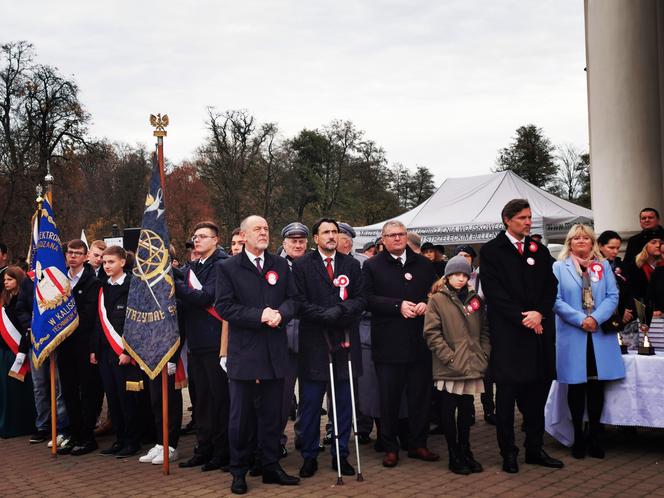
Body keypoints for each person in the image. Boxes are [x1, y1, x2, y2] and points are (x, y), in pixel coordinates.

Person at [215, 215, 300, 495]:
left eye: (266, 228)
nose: (264, 232)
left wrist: (281, 314)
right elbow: (225, 307)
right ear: (243, 234)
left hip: (275, 351)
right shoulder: (228, 267)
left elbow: (293, 299)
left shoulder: (280, 264)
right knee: (241, 417)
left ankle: (271, 465)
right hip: (245, 352)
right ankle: (239, 470)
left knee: (274, 414)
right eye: (257, 229)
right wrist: (259, 315)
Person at [479, 199, 562, 473]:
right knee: (506, 398)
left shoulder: (538, 250)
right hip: (509, 337)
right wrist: (523, 317)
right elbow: (494, 293)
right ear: (507, 219)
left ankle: (534, 449)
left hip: (538, 334)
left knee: (537, 396)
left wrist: (539, 313)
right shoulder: (492, 251)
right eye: (522, 218)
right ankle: (508, 453)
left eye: (529, 217)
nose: (528, 222)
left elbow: (551, 285)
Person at [293, 218, 365, 478]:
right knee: (310, 405)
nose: (332, 236)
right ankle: (309, 455)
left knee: (344, 404)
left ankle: (340, 453)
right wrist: (323, 315)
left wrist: (340, 311)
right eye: (326, 232)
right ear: (315, 238)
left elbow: (360, 298)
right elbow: (298, 302)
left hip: (344, 341)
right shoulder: (302, 266)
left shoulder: (351, 264)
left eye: (335, 232)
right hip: (314, 343)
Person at [363, 220, 439, 468]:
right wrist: (397, 306)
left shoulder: (424, 264)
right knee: (389, 399)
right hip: (389, 342)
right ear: (383, 239)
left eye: (401, 234)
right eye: (392, 235)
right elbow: (366, 299)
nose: (397, 238)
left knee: (420, 397)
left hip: (420, 341)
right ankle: (390, 446)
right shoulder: (372, 266)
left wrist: (428, 304)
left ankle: (418, 444)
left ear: (407, 237)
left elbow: (436, 293)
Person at [553, 224, 624, 459]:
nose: (581, 241)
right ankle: (577, 436)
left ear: (592, 242)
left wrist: (596, 317)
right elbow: (555, 299)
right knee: (576, 386)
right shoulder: (558, 267)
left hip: (599, 334)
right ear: (569, 243)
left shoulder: (602, 266)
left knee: (596, 386)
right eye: (576, 238)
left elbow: (613, 295)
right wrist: (581, 319)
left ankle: (595, 435)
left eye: (586, 237)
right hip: (574, 334)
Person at [424, 255, 490, 474]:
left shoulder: (475, 300)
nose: (461, 279)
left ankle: (465, 450)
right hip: (449, 367)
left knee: (466, 411)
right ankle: (454, 454)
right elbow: (432, 333)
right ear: (447, 276)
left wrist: (483, 355)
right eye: (456, 275)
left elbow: (484, 331)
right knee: (448, 411)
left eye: (465, 275)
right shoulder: (437, 299)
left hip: (472, 364)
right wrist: (449, 357)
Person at [176, 221, 230, 471]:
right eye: (195, 236)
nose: (196, 240)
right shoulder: (193, 266)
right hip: (196, 342)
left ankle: (221, 452)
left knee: (218, 399)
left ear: (215, 240)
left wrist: (174, 286)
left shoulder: (222, 265)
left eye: (202, 236)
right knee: (201, 401)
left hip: (214, 342)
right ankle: (203, 448)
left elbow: (204, 297)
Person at [90, 246, 142, 457]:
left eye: (111, 262)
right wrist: (94, 349)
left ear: (122, 262)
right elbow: (98, 322)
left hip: (124, 353)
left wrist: (127, 351)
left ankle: (133, 440)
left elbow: (135, 322)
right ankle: (120, 439)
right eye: (104, 262)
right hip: (105, 353)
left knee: (127, 399)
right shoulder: (103, 288)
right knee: (113, 398)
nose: (107, 266)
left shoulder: (132, 286)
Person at [277, 221, 309, 457]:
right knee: (281, 396)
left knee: (310, 396)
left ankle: (306, 437)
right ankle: (276, 439)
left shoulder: (312, 265)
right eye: (293, 241)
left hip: (310, 337)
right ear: (284, 243)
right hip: (282, 340)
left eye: (301, 241)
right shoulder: (274, 266)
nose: (297, 245)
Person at [0, 266, 36, 438]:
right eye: (5, 280)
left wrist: (21, 351)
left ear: (19, 280)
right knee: (6, 391)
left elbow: (25, 328)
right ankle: (7, 423)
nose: (6, 283)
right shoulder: (5, 300)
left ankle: (22, 425)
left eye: (10, 279)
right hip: (5, 350)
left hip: (19, 350)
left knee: (19, 389)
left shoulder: (23, 299)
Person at [598, 231, 635, 329]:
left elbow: (630, 290)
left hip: (625, 316)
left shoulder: (621, 265)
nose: (615, 251)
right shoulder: (594, 266)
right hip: (602, 316)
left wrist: (627, 309)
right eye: (611, 247)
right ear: (600, 246)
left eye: (617, 248)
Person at [627, 235, 662, 304]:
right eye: (653, 242)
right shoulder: (635, 265)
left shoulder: (662, 263)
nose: (658, 245)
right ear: (645, 246)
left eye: (661, 243)